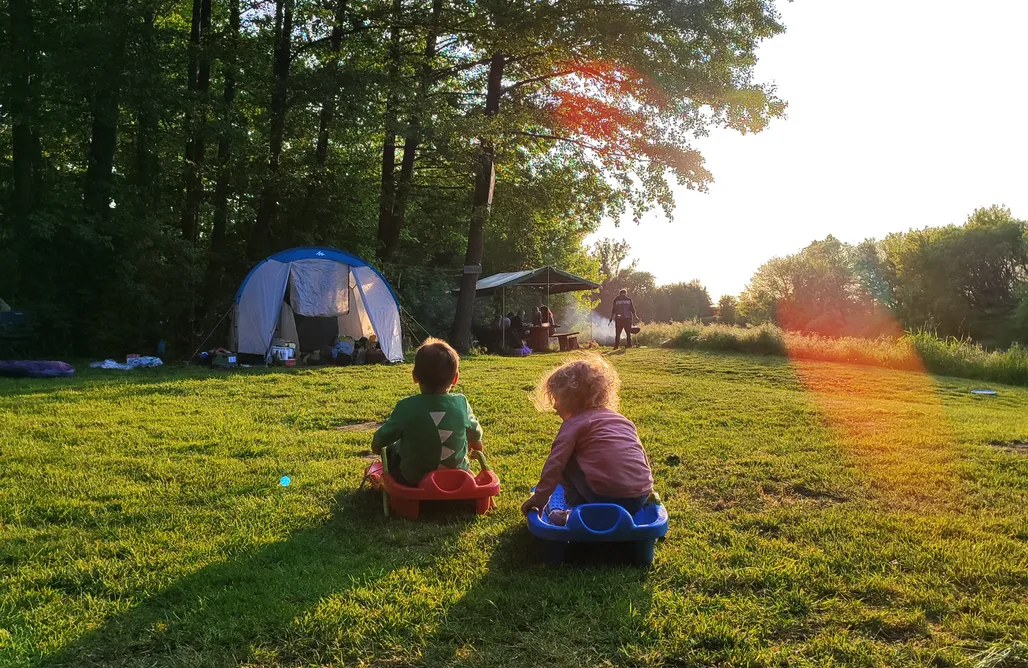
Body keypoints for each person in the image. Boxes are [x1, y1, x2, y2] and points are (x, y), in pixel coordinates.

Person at [520, 356, 654, 525]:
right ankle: (594, 512)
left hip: (604, 499)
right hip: (639, 498)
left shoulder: (574, 423)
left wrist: (540, 499)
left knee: (565, 459)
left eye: (557, 399)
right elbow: (641, 456)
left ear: (571, 397)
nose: (554, 407)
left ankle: (576, 511)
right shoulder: (622, 420)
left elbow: (555, 464)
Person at [372, 338, 484, 486]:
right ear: (455, 378)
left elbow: (381, 439)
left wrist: (377, 447)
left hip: (414, 480)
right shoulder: (461, 403)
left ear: (415, 377)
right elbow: (475, 434)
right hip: (457, 477)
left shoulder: (406, 406)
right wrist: (477, 446)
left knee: (393, 450)